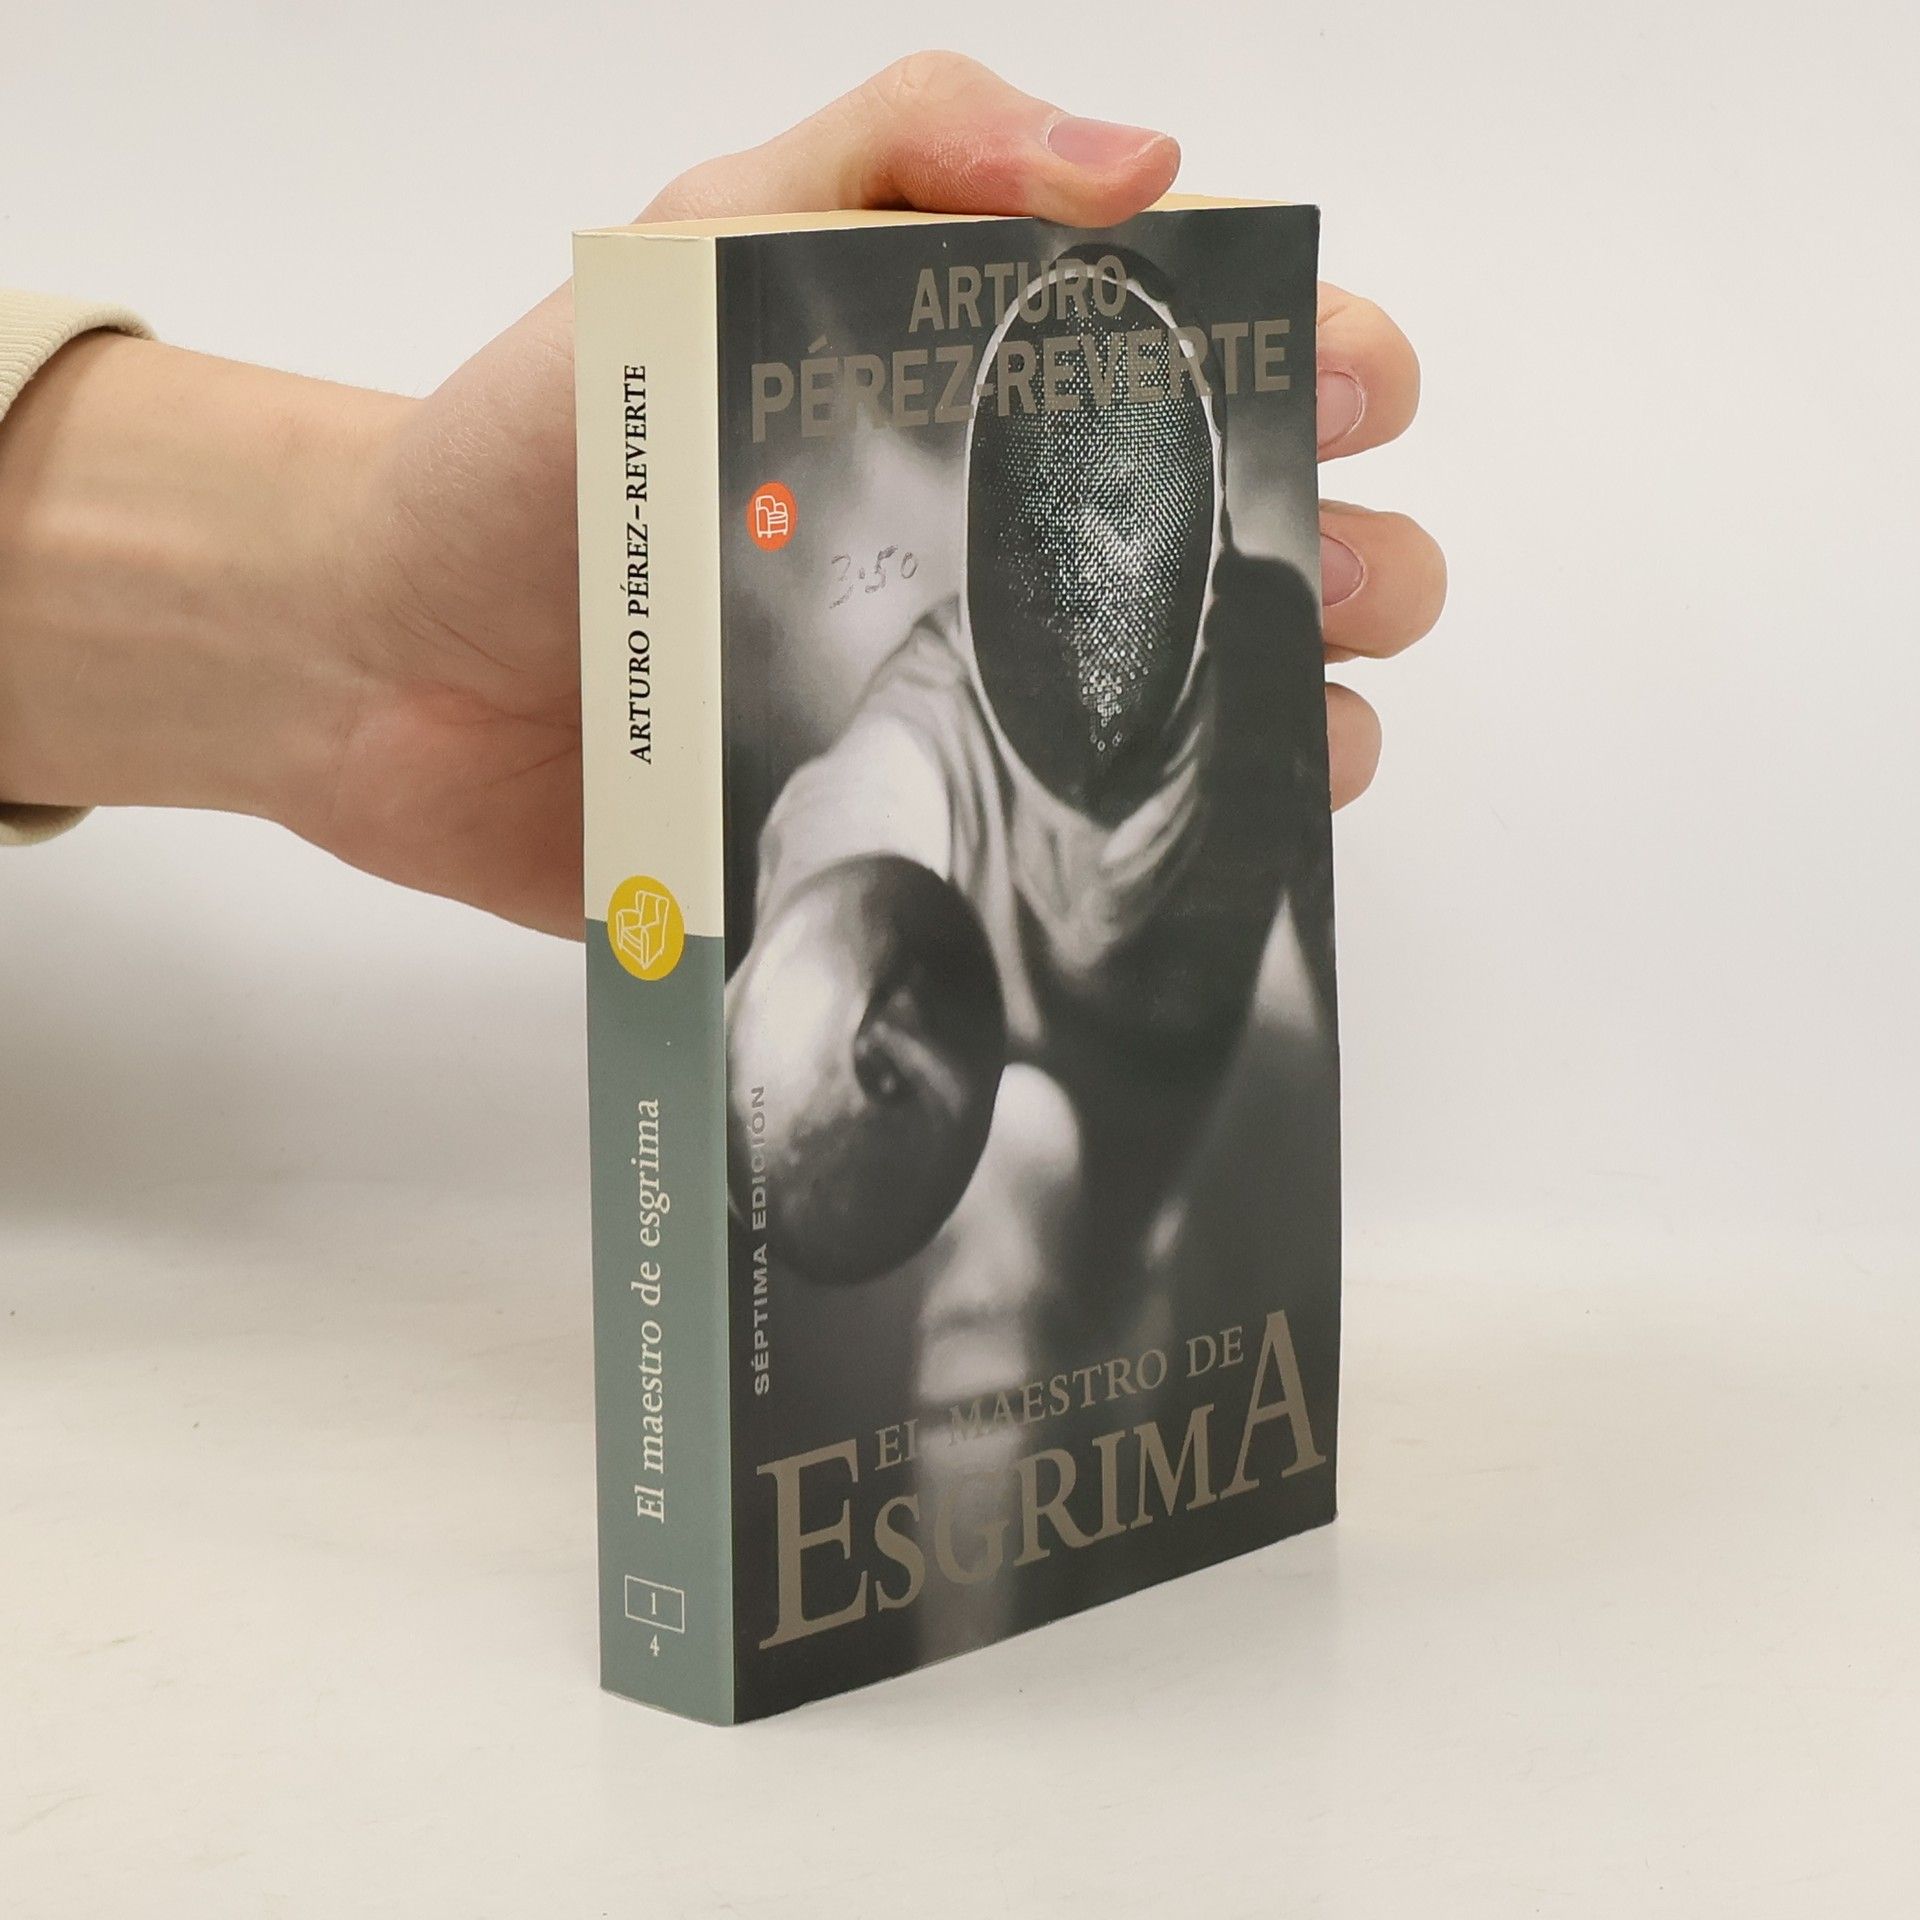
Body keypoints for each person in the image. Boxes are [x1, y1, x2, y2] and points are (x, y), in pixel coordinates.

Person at [0, 55, 1444, 935]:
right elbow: (863, 806)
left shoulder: (1135, 688)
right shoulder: (929, 715)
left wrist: (361, 624)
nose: (1088, 562)